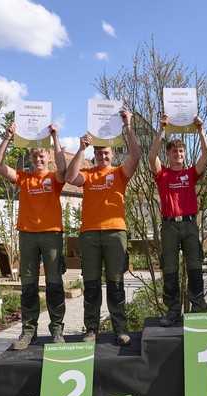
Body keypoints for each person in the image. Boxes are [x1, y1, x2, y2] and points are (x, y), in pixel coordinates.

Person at [65, 109, 142, 345]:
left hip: (115, 232)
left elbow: (136, 155)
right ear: (94, 154)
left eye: (106, 153)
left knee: (116, 282)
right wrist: (81, 149)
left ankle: (120, 328)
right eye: (98, 153)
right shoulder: (87, 174)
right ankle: (91, 329)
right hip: (89, 234)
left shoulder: (120, 173)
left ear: (112, 154)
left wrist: (127, 126)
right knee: (91, 283)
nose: (102, 157)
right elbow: (69, 177)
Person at [0, 124, 67, 349]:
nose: (39, 160)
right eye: (35, 156)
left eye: (42, 156)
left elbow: (64, 167)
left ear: (48, 158)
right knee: (28, 285)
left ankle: (56, 330)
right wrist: (7, 137)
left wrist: (55, 137)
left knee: (54, 283)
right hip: (27, 235)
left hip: (52, 234)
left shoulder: (54, 178)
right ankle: (28, 332)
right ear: (30, 159)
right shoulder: (23, 178)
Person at [148, 114, 207, 326]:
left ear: (184, 154)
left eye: (181, 151)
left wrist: (200, 130)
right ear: (168, 154)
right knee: (170, 269)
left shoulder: (191, 173)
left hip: (190, 224)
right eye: (174, 151)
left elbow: (206, 155)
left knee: (194, 267)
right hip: (169, 226)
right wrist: (162, 129)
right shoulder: (162, 174)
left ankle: (198, 308)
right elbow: (151, 156)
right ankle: (173, 311)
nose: (178, 154)